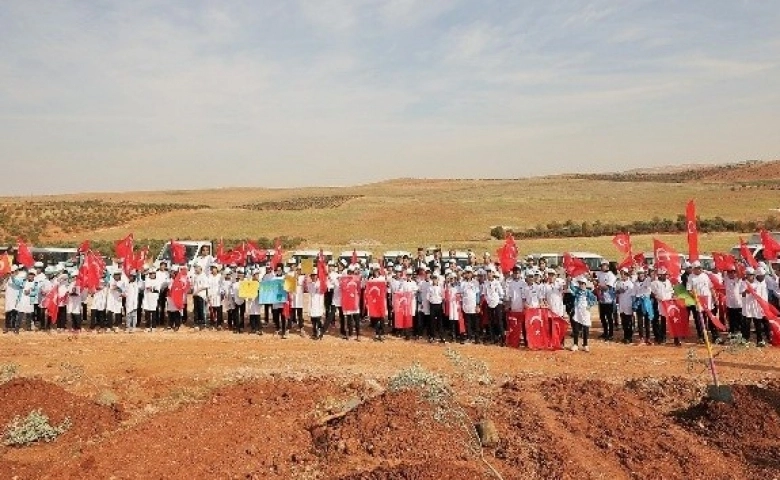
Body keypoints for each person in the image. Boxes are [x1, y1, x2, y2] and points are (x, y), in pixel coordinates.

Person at [686, 261, 717, 343]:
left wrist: (715, 298)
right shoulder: (691, 277)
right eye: (697, 268)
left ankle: (715, 337)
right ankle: (702, 337)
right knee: (701, 320)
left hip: (708, 301)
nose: (699, 270)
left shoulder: (705, 276)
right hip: (699, 301)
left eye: (700, 268)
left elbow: (711, 287)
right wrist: (695, 297)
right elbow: (689, 290)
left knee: (712, 319)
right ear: (693, 269)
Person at [570, 276, 597, 352]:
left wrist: (589, 305)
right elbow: (571, 287)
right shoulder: (577, 291)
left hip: (585, 313)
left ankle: (585, 344)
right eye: (580, 283)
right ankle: (575, 344)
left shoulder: (588, 292)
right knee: (576, 328)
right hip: (577, 312)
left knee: (585, 329)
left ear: (585, 284)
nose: (581, 285)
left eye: (582, 283)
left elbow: (594, 299)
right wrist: (570, 279)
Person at [650, 267, 674, 344]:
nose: (664, 276)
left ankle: (670, 337)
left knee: (668, 321)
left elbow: (671, 291)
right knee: (658, 321)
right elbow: (652, 293)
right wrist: (657, 298)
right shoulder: (654, 283)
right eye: (663, 275)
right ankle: (660, 337)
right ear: (659, 275)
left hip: (668, 304)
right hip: (658, 304)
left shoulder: (668, 282)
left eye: (665, 275)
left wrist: (672, 298)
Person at [595, 260, 616, 341]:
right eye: (601, 265)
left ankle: (610, 334)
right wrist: (594, 280)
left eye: (603, 265)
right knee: (602, 317)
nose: (601, 267)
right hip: (601, 300)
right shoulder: (600, 273)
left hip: (609, 300)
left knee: (609, 318)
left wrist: (599, 285)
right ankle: (605, 332)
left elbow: (607, 287)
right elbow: (596, 280)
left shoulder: (611, 275)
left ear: (607, 266)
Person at [633, 269, 654, 345]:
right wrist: (634, 303)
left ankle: (648, 338)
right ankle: (641, 338)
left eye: (642, 273)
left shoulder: (648, 280)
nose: (641, 275)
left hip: (647, 302)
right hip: (639, 302)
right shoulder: (635, 283)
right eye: (639, 273)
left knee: (647, 321)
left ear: (644, 274)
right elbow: (634, 293)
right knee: (639, 322)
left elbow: (652, 277)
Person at [615, 268, 635, 344]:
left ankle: (629, 337)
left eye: (623, 274)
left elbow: (633, 295)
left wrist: (633, 305)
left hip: (628, 304)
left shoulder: (630, 284)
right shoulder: (619, 283)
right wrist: (618, 291)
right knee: (623, 322)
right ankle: (625, 337)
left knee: (628, 322)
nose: (622, 275)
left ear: (627, 275)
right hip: (621, 305)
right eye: (621, 274)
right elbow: (616, 292)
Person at [722, 266, 743, 337]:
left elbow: (740, 274)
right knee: (731, 318)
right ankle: (732, 331)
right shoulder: (726, 279)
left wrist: (736, 264)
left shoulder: (738, 280)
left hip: (738, 304)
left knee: (739, 318)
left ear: (735, 273)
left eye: (733, 272)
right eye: (729, 272)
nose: (731, 274)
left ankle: (739, 331)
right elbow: (723, 270)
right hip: (730, 304)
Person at [426, 274, 445, 343]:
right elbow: (427, 297)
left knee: (440, 322)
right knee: (432, 321)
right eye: (433, 279)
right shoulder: (429, 287)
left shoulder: (440, 287)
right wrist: (431, 300)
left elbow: (443, 297)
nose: (434, 280)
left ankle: (441, 336)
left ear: (438, 280)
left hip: (439, 305)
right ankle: (432, 336)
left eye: (436, 279)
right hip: (432, 305)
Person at [308, 272, 326, 340]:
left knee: (318, 319)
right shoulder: (309, 284)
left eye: (314, 275)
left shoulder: (320, 283)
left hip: (319, 303)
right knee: (313, 320)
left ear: (317, 276)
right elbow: (310, 292)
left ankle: (319, 332)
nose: (313, 277)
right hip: (312, 303)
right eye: (312, 275)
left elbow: (323, 290)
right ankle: (314, 332)